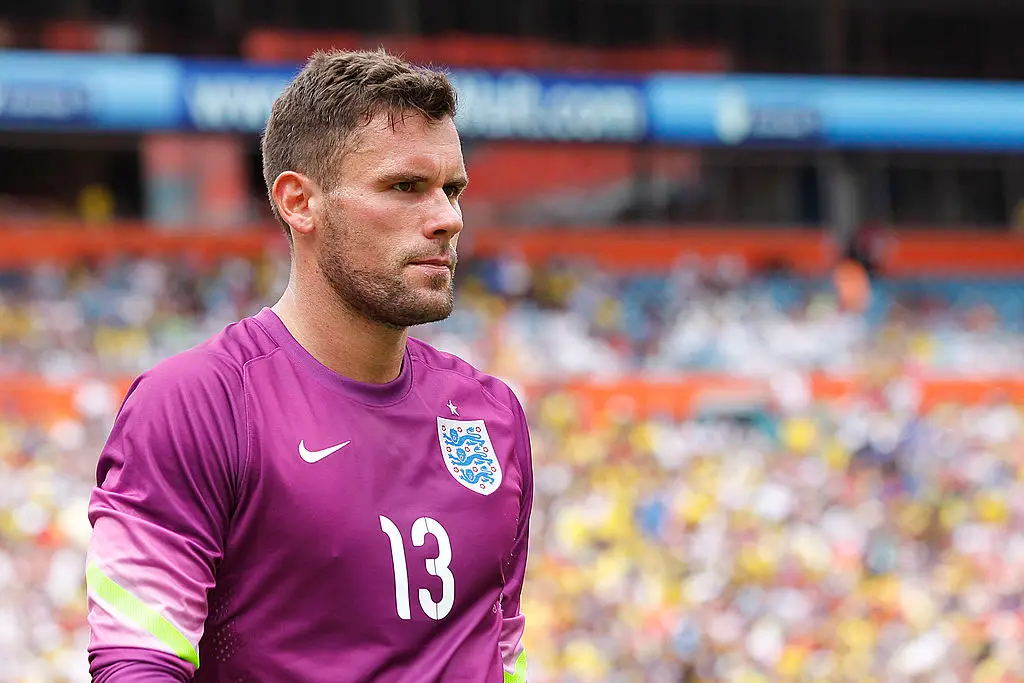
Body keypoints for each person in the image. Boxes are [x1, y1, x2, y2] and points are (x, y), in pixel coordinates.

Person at [85, 49, 533, 683]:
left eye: (452, 189)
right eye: (406, 187)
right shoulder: (197, 403)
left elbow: (499, 652)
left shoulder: (494, 415)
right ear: (299, 202)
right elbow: (137, 665)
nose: (448, 218)